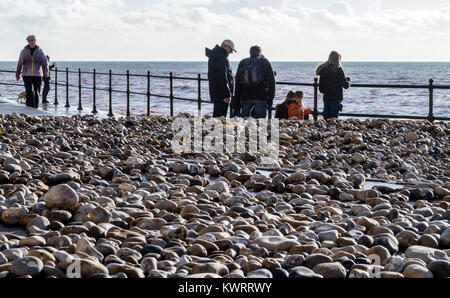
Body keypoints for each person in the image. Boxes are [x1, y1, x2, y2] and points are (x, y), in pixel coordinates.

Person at [234, 45, 275, 119]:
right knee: (259, 123)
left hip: (245, 97)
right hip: (261, 96)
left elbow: (237, 82)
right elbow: (272, 82)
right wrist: (270, 100)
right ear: (260, 52)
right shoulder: (265, 62)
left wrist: (237, 99)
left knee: (244, 122)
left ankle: (245, 130)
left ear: (250, 53)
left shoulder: (242, 62)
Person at [16, 34, 49, 108]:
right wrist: (17, 74)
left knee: (37, 92)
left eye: (34, 40)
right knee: (29, 90)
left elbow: (45, 62)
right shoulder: (24, 51)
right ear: (28, 41)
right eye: (31, 40)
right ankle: (29, 107)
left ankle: (36, 107)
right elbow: (20, 63)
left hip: (37, 74)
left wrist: (46, 72)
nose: (33, 41)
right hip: (26, 74)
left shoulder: (40, 51)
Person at [205, 39, 236, 117]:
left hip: (216, 92)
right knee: (221, 117)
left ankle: (215, 128)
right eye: (231, 49)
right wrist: (226, 94)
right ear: (225, 46)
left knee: (217, 115)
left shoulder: (216, 56)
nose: (231, 52)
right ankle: (218, 129)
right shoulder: (221, 57)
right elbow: (221, 76)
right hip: (222, 94)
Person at [316, 51, 350, 119]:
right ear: (338, 60)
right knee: (333, 120)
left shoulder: (324, 69)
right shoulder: (338, 69)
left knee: (326, 119)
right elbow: (345, 85)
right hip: (336, 98)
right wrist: (348, 80)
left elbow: (321, 89)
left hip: (326, 97)